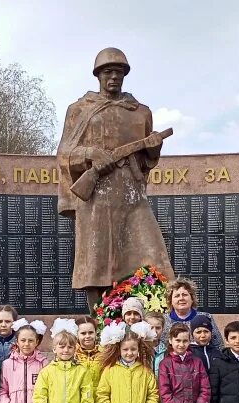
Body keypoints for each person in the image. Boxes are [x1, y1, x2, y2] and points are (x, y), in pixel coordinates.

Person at [56, 47, 175, 307]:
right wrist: (90, 154)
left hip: (132, 195)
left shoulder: (140, 111)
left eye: (119, 72)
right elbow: (64, 153)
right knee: (98, 264)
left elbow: (146, 162)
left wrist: (153, 148)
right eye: (108, 72)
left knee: (153, 256)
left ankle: (149, 322)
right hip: (97, 196)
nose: (114, 77)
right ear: (98, 75)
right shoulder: (79, 109)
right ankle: (101, 325)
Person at [162, 278, 223, 350]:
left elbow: (219, 345)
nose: (181, 298)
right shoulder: (163, 320)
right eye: (177, 296)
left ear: (192, 299)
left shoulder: (206, 317)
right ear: (170, 300)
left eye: (185, 295)